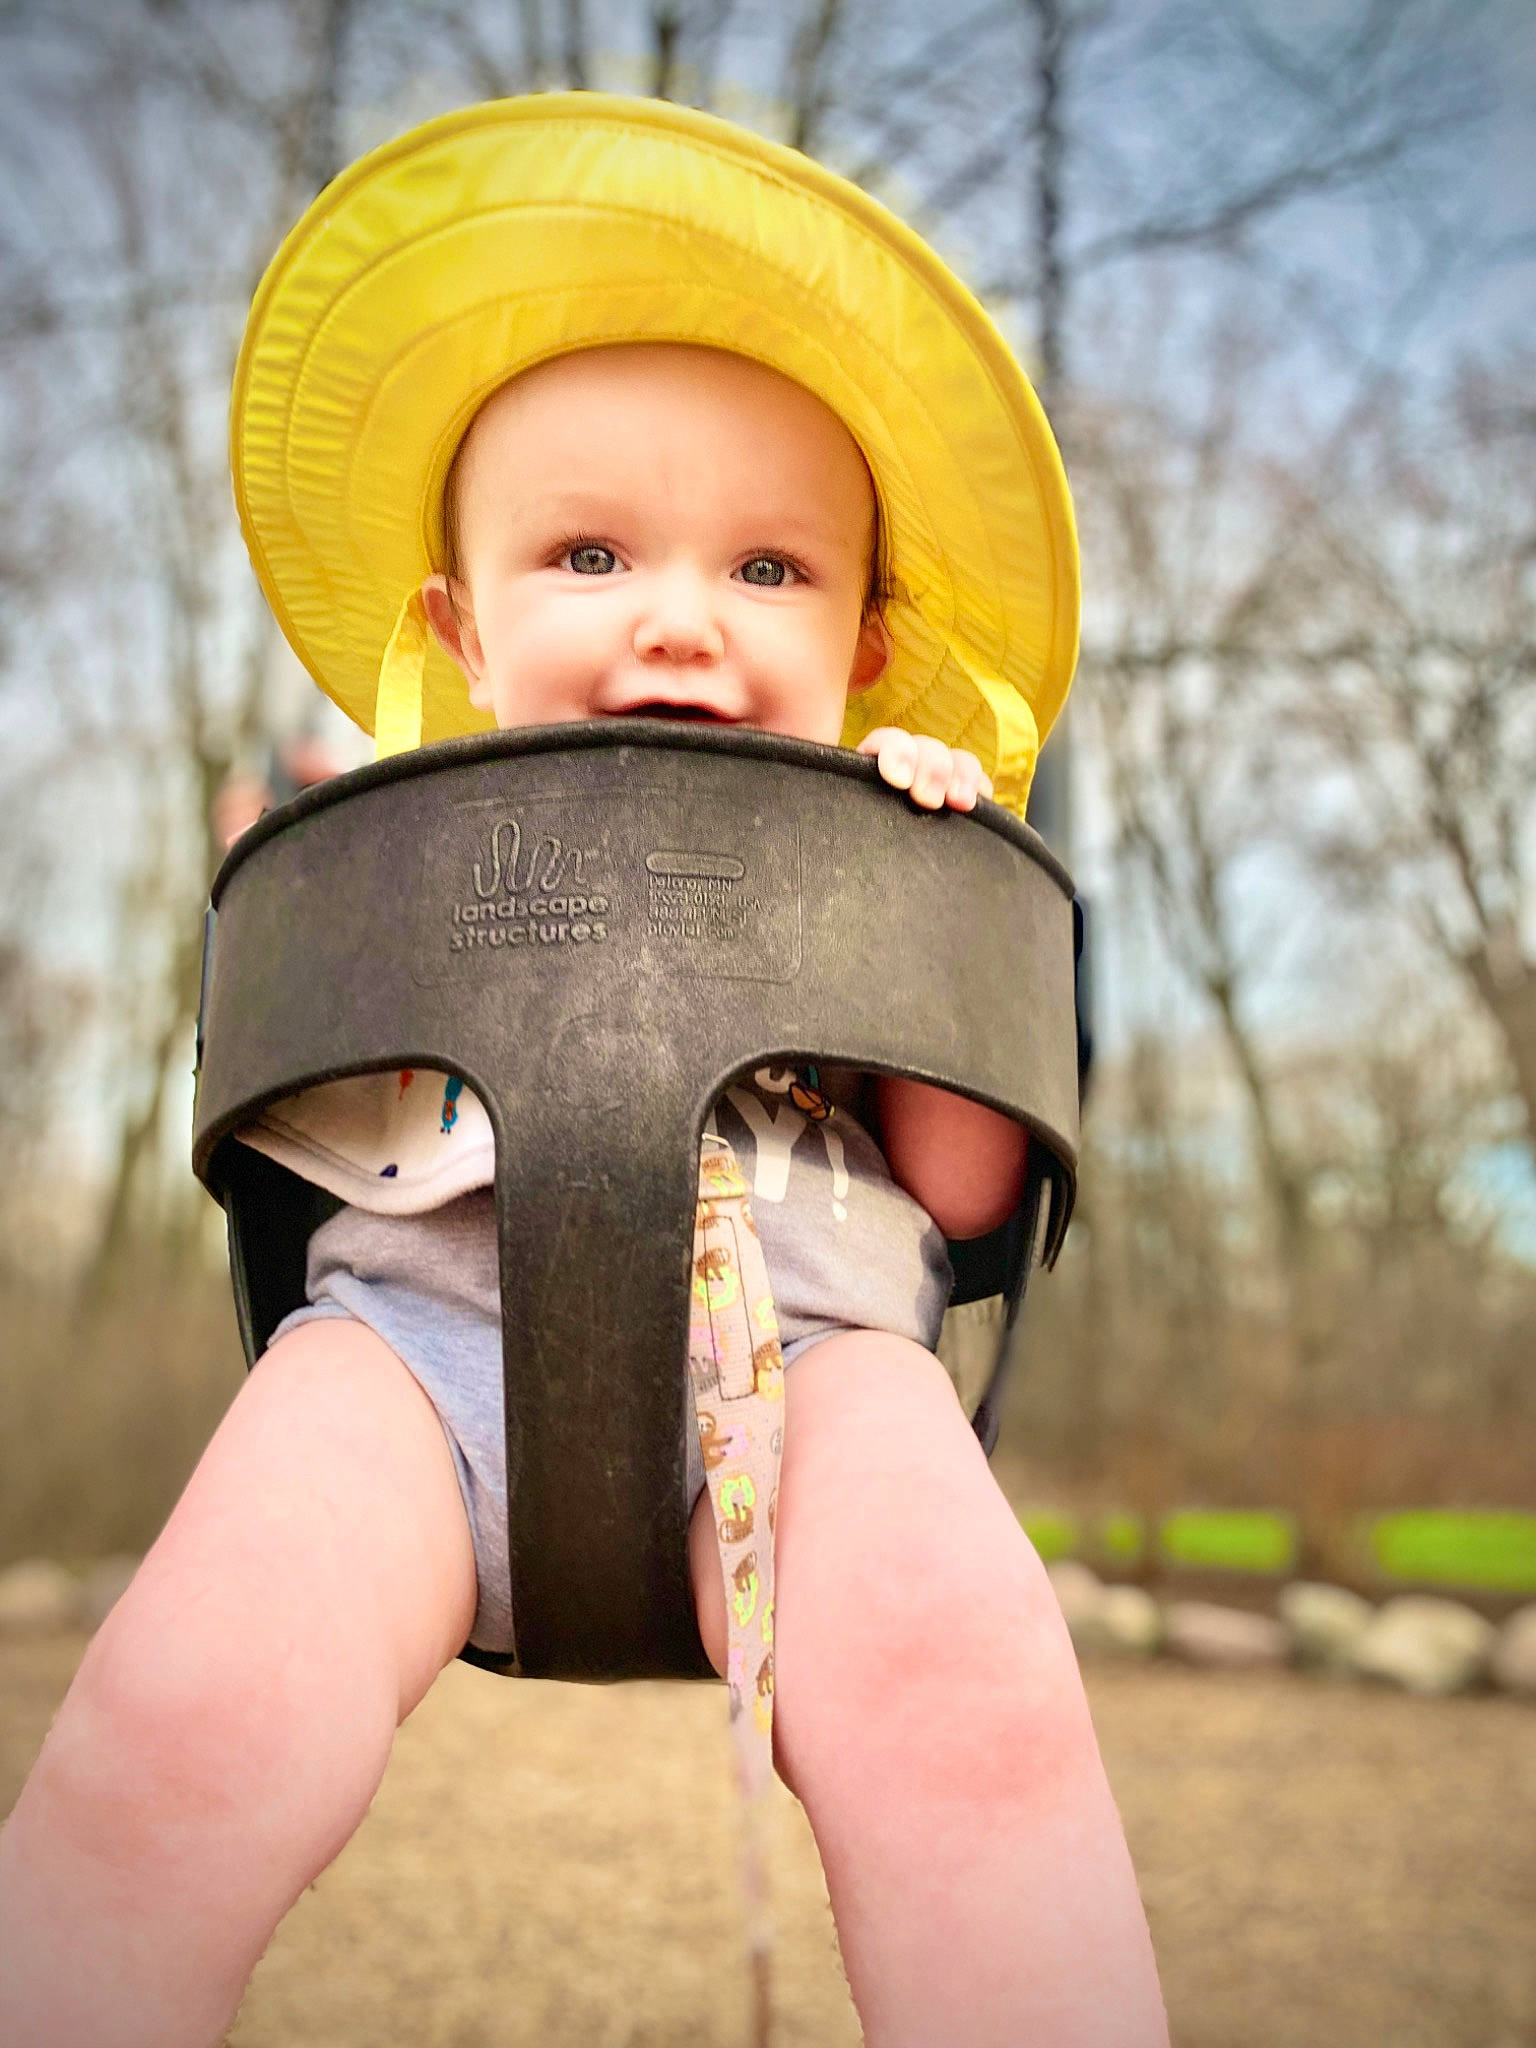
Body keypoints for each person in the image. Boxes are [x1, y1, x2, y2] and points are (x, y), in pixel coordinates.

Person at [0, 97, 1166, 2048]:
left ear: (868, 638)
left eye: (772, 568)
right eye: (592, 550)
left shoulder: (882, 829)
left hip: (816, 1364)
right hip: (422, 1351)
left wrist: (929, 892)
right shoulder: (404, 826)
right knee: (181, 1717)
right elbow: (287, 1103)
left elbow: (962, 1197)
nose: (681, 618)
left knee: (976, 1710)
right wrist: (302, 849)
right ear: (462, 626)